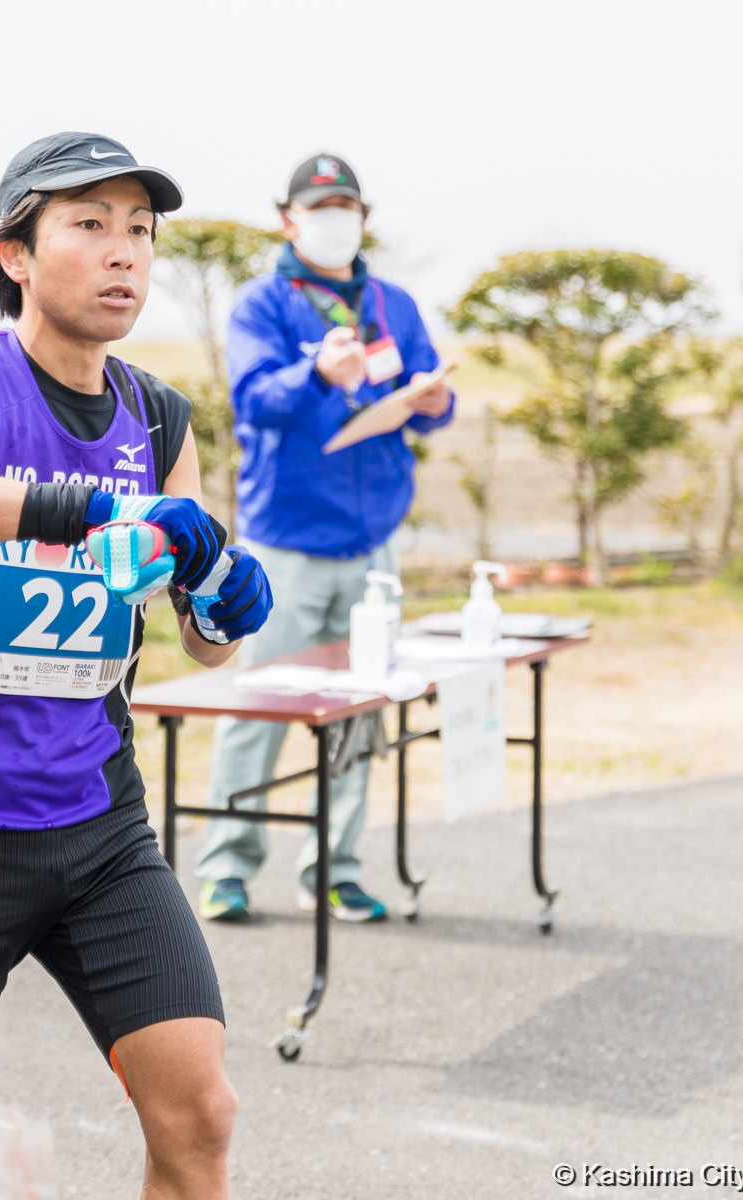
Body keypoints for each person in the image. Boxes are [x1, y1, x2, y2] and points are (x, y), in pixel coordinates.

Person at [0, 131, 273, 1200]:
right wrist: (78, 506)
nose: (123, 253)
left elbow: (198, 633)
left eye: (139, 230)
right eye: (88, 225)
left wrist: (226, 601)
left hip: (101, 833)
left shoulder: (156, 416)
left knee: (202, 1111)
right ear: (15, 253)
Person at [194, 152, 455, 925]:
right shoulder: (262, 306)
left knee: (361, 711)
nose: (335, 218)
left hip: (373, 540)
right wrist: (315, 374)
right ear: (289, 218)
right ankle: (227, 867)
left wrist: (436, 401)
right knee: (263, 704)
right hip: (286, 542)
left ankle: (335, 867)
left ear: (363, 217)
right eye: (320, 205)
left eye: (347, 205)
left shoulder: (392, 302)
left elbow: (429, 396)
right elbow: (254, 401)